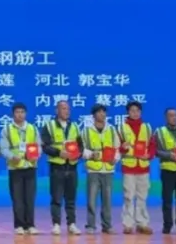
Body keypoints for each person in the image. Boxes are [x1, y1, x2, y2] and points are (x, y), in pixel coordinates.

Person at [0, 102, 41, 235]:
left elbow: (39, 146)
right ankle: (19, 225)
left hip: (30, 167)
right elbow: (3, 149)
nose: (20, 115)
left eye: (22, 112)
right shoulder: (7, 129)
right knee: (17, 198)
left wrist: (35, 155)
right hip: (15, 168)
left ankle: (30, 225)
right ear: (13, 114)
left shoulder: (32, 129)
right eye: (17, 112)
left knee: (30, 198)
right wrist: (12, 157)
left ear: (26, 114)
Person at [41, 100, 81, 235]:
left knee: (71, 198)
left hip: (72, 166)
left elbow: (80, 145)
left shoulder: (74, 126)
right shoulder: (49, 126)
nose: (66, 111)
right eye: (63, 108)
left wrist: (78, 154)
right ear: (56, 110)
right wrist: (59, 153)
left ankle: (72, 224)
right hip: (57, 167)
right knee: (56, 197)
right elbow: (45, 146)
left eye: (68, 109)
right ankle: (56, 224)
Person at [81, 104, 120, 234]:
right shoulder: (86, 131)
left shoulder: (112, 130)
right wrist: (91, 155)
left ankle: (107, 225)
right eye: (99, 112)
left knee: (107, 200)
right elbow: (81, 149)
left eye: (104, 112)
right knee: (91, 200)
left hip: (108, 169)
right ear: (93, 115)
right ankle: (91, 225)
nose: (102, 114)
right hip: (93, 170)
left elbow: (117, 148)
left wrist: (116, 158)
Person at [119, 101, 154, 234]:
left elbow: (152, 145)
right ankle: (128, 224)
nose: (135, 113)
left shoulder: (147, 127)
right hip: (129, 167)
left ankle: (142, 223)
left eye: (137, 110)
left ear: (141, 112)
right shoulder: (121, 128)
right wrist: (123, 148)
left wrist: (149, 155)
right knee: (128, 196)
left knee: (142, 197)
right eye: (132, 110)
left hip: (143, 167)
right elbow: (117, 147)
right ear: (128, 112)